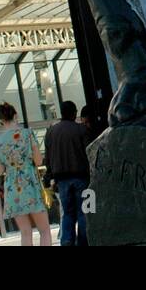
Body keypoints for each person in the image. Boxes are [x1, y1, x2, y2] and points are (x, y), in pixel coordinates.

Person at [0, 102, 51, 246]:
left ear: (1, 121)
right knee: (44, 230)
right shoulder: (28, 134)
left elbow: (0, 170)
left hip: (12, 189)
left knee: (25, 232)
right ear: (16, 116)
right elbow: (39, 160)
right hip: (30, 185)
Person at [44, 100, 91, 246]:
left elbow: (48, 157)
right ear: (74, 113)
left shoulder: (51, 132)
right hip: (81, 177)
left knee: (67, 213)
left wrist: (50, 176)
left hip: (61, 179)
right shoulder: (82, 130)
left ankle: (66, 241)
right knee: (84, 212)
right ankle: (83, 242)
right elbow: (90, 152)